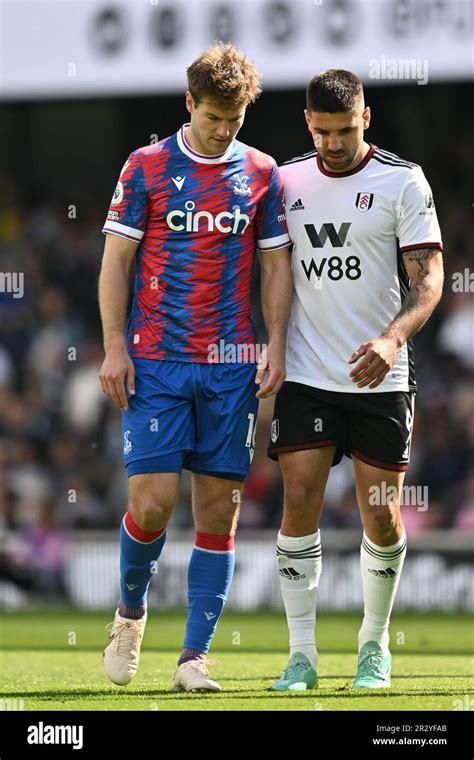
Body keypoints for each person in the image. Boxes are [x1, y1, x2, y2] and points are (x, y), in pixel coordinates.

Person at [98, 42, 291, 693]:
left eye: (233, 121)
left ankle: (194, 660)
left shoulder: (262, 174)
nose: (223, 130)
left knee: (220, 510)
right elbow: (116, 261)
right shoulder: (147, 167)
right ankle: (129, 614)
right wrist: (112, 346)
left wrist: (277, 344)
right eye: (213, 118)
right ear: (190, 103)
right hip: (155, 360)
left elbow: (273, 267)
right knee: (151, 506)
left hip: (232, 365)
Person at [268, 69, 444, 690]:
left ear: (366, 118)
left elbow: (429, 279)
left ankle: (373, 645)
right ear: (308, 124)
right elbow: (270, 270)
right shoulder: (283, 180)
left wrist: (392, 337)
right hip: (309, 372)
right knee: (297, 504)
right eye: (322, 131)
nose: (333, 143)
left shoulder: (404, 180)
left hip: (381, 375)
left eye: (345, 130)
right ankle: (302, 657)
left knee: (383, 519)